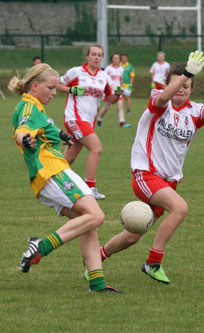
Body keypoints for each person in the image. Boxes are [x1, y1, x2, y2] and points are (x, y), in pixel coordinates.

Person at [96, 51, 204, 284]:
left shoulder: (195, 112)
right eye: (177, 83)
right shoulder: (159, 101)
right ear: (169, 84)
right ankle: (153, 262)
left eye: (187, 85)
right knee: (180, 209)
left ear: (192, 89)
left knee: (133, 235)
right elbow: (164, 98)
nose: (182, 88)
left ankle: (97, 257)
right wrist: (185, 74)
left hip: (169, 182)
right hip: (146, 174)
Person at [9, 63, 118, 293]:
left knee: (87, 223)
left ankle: (97, 284)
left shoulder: (36, 106)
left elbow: (44, 125)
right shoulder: (28, 107)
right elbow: (23, 130)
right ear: (35, 85)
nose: (54, 92)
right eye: (50, 88)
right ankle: (41, 246)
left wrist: (61, 135)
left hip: (46, 175)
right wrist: (24, 139)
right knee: (96, 215)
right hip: (51, 170)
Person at [57, 44, 123, 200]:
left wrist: (118, 94)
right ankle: (90, 188)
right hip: (75, 118)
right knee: (96, 148)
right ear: (87, 56)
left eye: (100, 55)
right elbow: (58, 84)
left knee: (69, 157)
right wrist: (71, 90)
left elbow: (110, 99)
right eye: (94, 54)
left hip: (88, 122)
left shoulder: (104, 77)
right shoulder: (76, 72)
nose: (97, 57)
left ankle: (50, 180)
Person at [97, 53, 131, 128]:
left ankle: (122, 122)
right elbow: (104, 79)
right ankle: (99, 119)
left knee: (120, 106)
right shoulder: (108, 68)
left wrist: (122, 89)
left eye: (117, 58)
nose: (116, 60)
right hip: (109, 91)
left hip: (118, 91)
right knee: (106, 107)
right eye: (114, 58)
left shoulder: (121, 69)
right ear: (112, 59)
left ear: (119, 60)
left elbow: (121, 80)